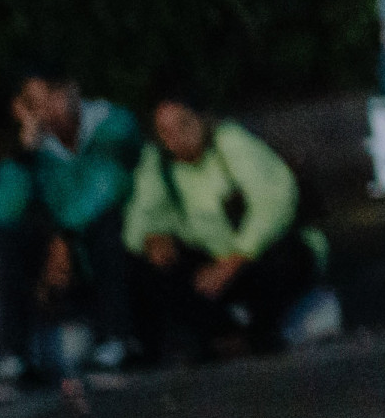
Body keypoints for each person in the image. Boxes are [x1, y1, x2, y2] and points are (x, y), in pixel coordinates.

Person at [123, 92, 325, 359]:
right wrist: (152, 238)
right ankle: (224, 336)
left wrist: (234, 261)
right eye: (165, 132)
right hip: (211, 265)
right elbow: (140, 216)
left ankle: (261, 332)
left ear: (203, 119)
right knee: (154, 269)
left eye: (184, 124)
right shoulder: (158, 162)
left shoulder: (230, 142)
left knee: (285, 258)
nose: (176, 138)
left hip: (256, 256)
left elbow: (274, 203)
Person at [0, 69, 140, 380]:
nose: (47, 109)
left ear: (73, 89)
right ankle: (14, 353)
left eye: (52, 96)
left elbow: (107, 186)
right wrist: (24, 156)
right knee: (8, 237)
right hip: (65, 252)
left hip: (117, 239)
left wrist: (65, 238)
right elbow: (2, 210)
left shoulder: (111, 125)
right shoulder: (36, 150)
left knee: (104, 224)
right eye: (36, 104)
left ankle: (116, 337)